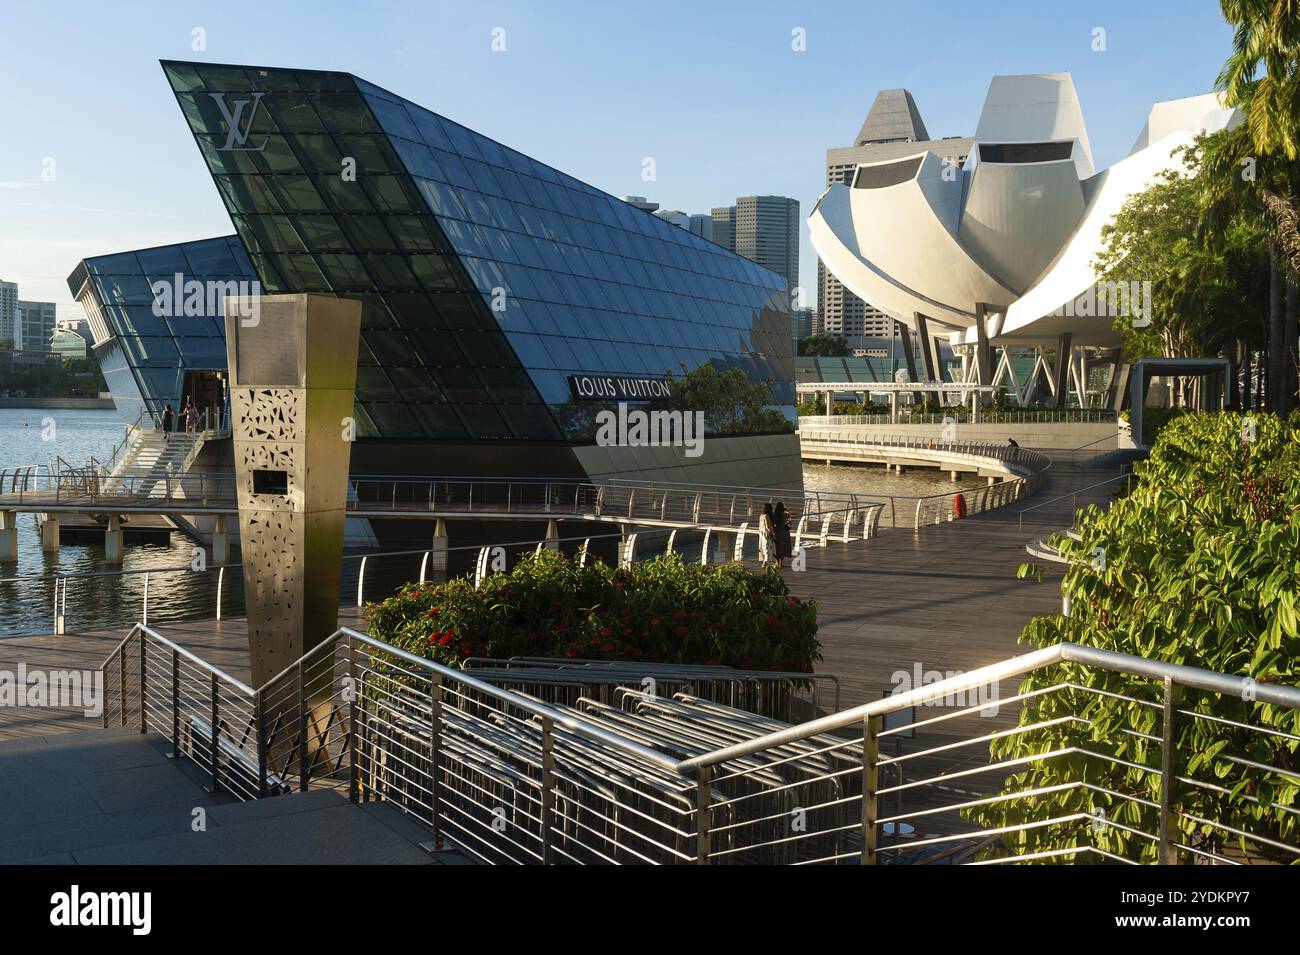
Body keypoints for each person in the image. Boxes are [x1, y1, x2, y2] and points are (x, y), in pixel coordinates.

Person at [773, 501, 793, 569]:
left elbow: (774, 523)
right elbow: (790, 522)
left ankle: (777, 562)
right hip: (785, 532)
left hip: (778, 532)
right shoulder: (785, 514)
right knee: (783, 547)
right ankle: (781, 563)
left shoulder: (775, 514)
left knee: (777, 548)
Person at [758, 502, 776, 568]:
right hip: (767, 534)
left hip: (762, 533)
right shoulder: (766, 516)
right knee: (768, 548)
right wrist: (773, 534)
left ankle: (765, 563)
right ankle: (766, 563)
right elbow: (768, 526)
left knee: (765, 548)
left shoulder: (761, 515)